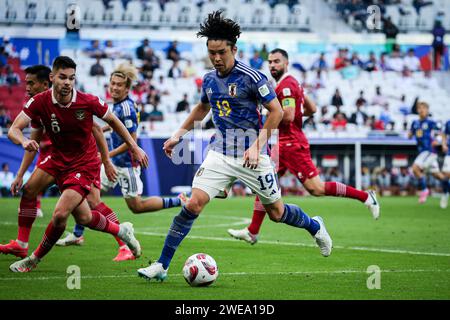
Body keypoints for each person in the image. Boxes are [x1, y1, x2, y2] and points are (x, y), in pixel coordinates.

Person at [137, 11, 334, 282]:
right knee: (193, 204)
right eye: (211, 53)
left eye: (221, 52)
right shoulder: (208, 79)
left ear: (234, 49)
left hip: (253, 156)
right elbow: (201, 108)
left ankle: (314, 225)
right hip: (219, 153)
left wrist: (256, 147)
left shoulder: (253, 78)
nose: (216, 58)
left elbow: (276, 112)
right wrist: (177, 135)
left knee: (276, 213)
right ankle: (162, 265)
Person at [3, 56, 148, 272]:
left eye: (72, 78)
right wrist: (24, 141)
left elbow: (111, 123)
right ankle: (121, 232)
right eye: (63, 77)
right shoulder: (39, 101)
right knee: (75, 212)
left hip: (83, 163)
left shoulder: (87, 101)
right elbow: (14, 128)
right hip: (58, 158)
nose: (68, 82)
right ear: (52, 78)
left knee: (61, 214)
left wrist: (133, 147)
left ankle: (33, 259)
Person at [227, 48, 379, 245]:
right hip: (282, 145)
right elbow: (312, 109)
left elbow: (288, 115)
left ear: (286, 63)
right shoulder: (291, 83)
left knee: (316, 188)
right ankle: (252, 231)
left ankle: (366, 196)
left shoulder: (287, 86)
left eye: (277, 61)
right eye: (270, 62)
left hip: (291, 144)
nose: (273, 65)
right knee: (264, 183)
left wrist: (265, 115)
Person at [56, 63, 188, 257]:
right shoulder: (118, 106)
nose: (115, 88)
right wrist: (102, 130)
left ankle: (178, 201)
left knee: (136, 206)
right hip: (114, 162)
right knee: (85, 192)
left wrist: (106, 156)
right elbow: (115, 125)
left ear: (127, 89)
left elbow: (132, 141)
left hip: (127, 164)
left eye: (119, 85)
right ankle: (81, 234)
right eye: (112, 84)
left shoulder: (126, 108)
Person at [408, 102, 449, 205]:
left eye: (424, 108)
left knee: (415, 168)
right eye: (420, 108)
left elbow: (440, 134)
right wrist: (409, 134)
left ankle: (424, 190)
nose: (421, 110)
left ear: (427, 110)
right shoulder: (415, 123)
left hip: (428, 151)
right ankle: (446, 189)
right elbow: (410, 133)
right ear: (417, 110)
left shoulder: (431, 123)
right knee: (440, 176)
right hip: (423, 153)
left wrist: (438, 141)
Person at [440, 120, 450, 209]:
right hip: (449, 153)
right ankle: (444, 194)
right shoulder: (448, 123)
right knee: (446, 175)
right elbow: (444, 134)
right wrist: (443, 144)